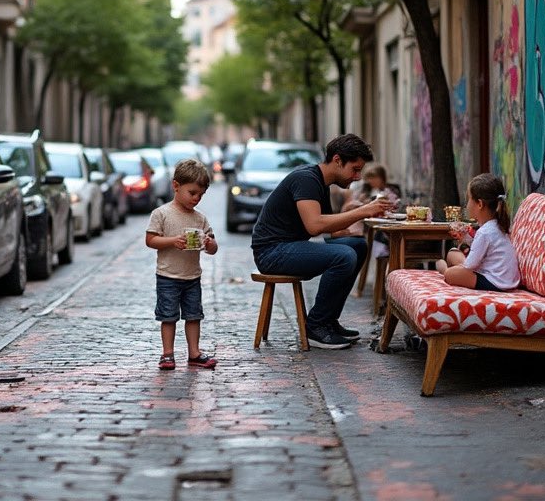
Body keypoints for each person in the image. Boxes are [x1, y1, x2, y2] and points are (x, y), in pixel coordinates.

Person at [251, 134, 396, 350]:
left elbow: (332, 231)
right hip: (272, 253)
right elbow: (315, 226)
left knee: (357, 246)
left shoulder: (320, 182)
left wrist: (354, 214)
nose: (357, 177)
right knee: (344, 256)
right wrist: (363, 212)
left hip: (289, 248)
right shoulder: (306, 179)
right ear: (337, 160)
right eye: (355, 169)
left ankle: (328, 320)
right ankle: (315, 327)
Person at [145, 158, 219, 371]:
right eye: (192, 193)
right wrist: (172, 241)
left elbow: (213, 247)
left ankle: (194, 352)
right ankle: (167, 354)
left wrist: (209, 243)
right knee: (168, 317)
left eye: (200, 195)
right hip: (168, 275)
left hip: (192, 276)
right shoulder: (162, 214)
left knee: (194, 315)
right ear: (176, 186)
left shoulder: (200, 219)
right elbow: (150, 240)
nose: (196, 199)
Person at [435, 173, 520, 291]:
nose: (467, 204)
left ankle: (445, 270)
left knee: (452, 274)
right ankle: (450, 266)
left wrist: (458, 269)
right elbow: (485, 249)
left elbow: (470, 265)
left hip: (495, 282)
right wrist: (465, 238)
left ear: (479, 204)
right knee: (452, 253)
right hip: (502, 278)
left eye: (469, 199)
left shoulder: (485, 232)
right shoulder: (495, 225)